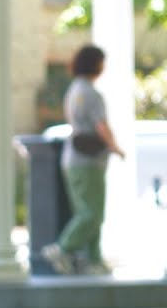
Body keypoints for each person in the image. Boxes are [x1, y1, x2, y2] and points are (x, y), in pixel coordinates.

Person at [43, 44, 125, 276]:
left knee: (89, 210)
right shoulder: (90, 92)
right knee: (92, 213)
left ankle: (94, 260)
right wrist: (115, 147)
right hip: (88, 161)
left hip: (73, 159)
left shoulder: (74, 90)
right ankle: (63, 247)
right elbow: (101, 125)